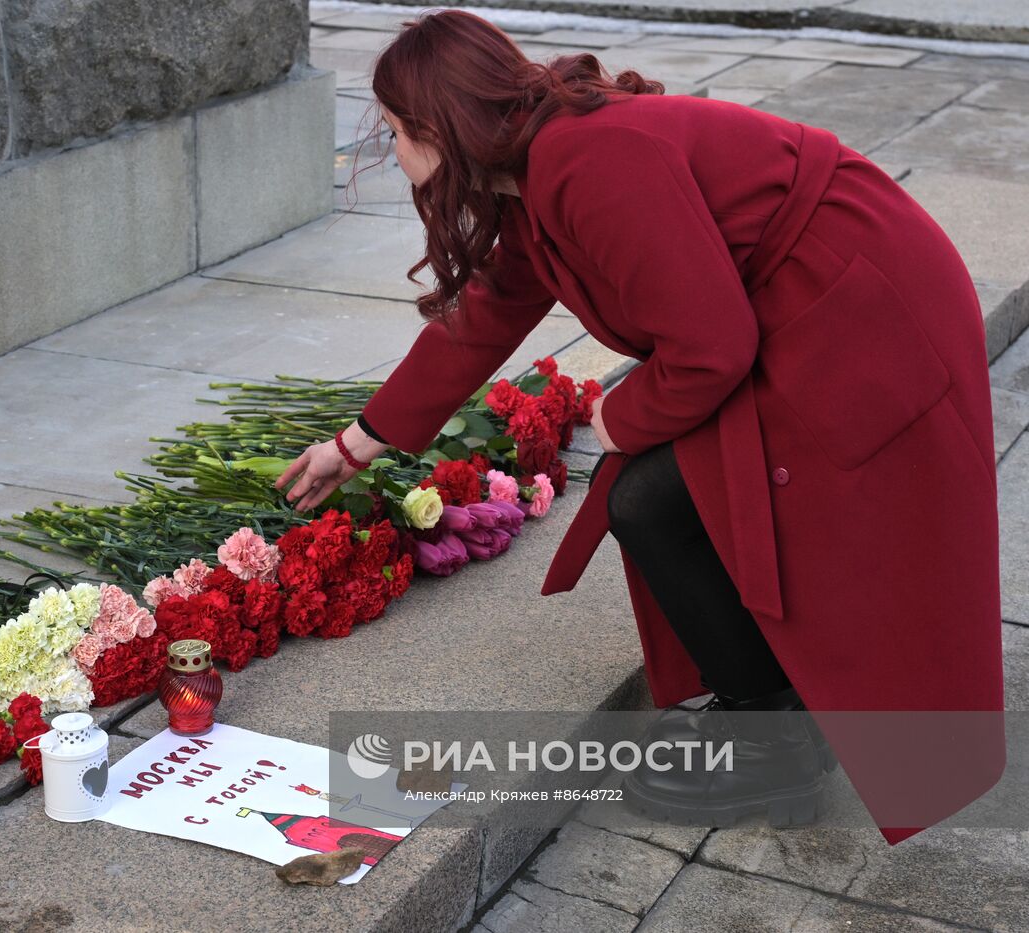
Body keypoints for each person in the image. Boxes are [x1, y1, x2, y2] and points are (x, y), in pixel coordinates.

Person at [274, 10, 1004, 844]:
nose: (391, 153)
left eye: (397, 132)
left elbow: (710, 348)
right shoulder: (533, 168)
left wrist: (621, 414)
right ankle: (771, 719)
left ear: (442, 128)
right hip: (797, 299)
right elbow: (488, 313)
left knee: (657, 498)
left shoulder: (585, 161)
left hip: (852, 302)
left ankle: (775, 748)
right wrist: (355, 443)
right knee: (658, 500)